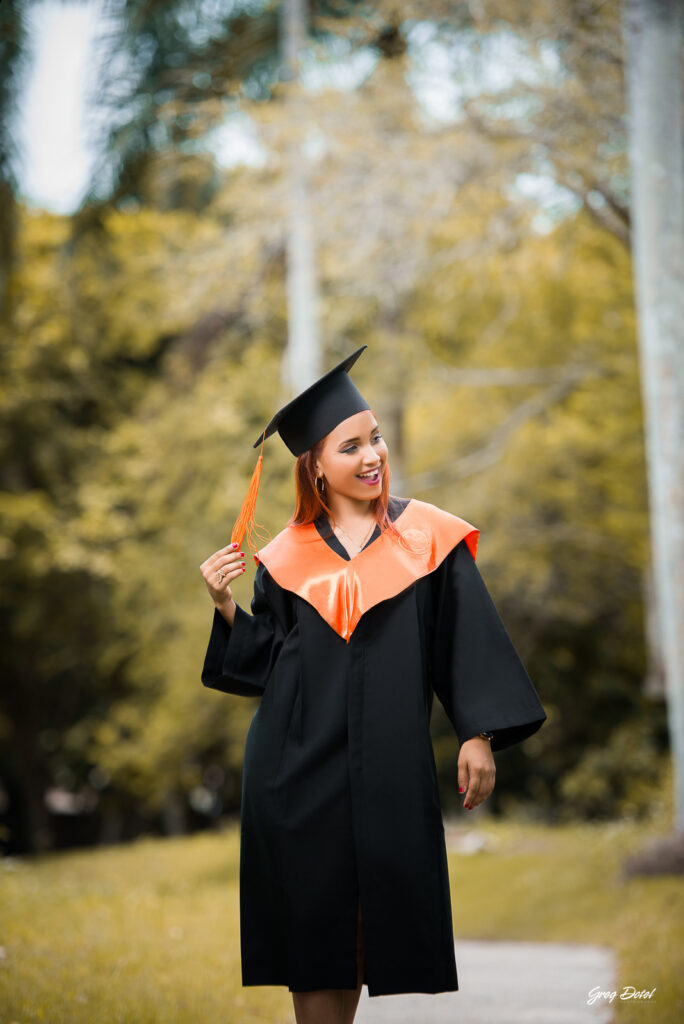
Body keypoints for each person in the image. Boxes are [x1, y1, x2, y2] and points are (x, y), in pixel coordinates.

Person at [199, 344, 547, 1024]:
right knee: (311, 938)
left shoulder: (427, 539)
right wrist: (223, 606)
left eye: (376, 438)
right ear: (316, 468)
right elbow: (267, 662)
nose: (372, 456)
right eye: (350, 445)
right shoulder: (286, 558)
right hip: (296, 772)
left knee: (362, 936)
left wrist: (478, 733)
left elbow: (464, 639)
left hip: (388, 771)